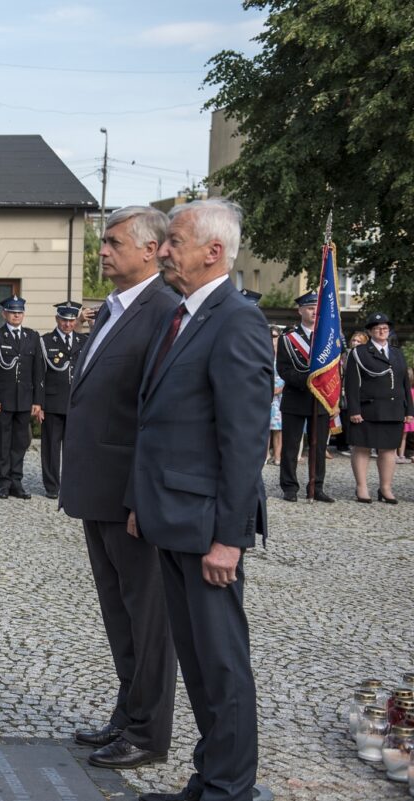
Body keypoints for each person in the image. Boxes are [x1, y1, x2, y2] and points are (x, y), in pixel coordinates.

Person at [132, 199, 270, 801]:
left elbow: (243, 443)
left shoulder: (236, 319)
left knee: (221, 666)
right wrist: (144, 501)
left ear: (214, 251)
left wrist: (229, 538)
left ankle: (231, 790)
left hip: (207, 525)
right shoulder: (184, 316)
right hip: (173, 518)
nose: (164, 249)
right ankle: (208, 780)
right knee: (197, 663)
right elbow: (163, 423)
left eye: (176, 240)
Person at [61, 205, 179, 771]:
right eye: (102, 242)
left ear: (151, 249)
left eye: (112, 242)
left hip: (130, 494)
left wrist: (142, 495)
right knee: (119, 610)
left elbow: (157, 415)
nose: (102, 251)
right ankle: (127, 711)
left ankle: (150, 732)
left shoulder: (164, 310)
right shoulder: (116, 307)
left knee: (148, 614)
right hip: (97, 487)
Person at [345, 312, 413, 503]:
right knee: (362, 448)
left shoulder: (397, 353)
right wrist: (354, 410)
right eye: (377, 328)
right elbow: (351, 384)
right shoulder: (359, 353)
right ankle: (362, 488)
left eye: (385, 328)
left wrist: (409, 411)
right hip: (368, 409)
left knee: (389, 449)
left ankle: (385, 488)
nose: (382, 331)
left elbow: (405, 384)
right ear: (370, 331)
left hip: (393, 409)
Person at [276, 291, 334, 502]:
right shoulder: (288, 339)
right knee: (291, 446)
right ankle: (289, 487)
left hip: (321, 398)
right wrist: (307, 382)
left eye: (316, 308)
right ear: (300, 310)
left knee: (318, 447)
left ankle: (316, 486)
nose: (313, 312)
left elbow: (335, 369)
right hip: (296, 396)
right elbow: (284, 369)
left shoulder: (327, 337)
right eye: (309, 308)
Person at [0, 296, 43, 499]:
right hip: (3, 400)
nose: (16, 315)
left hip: (24, 400)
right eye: (12, 312)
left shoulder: (32, 336)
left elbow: (38, 372)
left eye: (19, 312)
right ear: (4, 314)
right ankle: (3, 483)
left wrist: (37, 401)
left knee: (20, 443)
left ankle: (16, 482)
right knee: (3, 443)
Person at [38, 302, 86, 499]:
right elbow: (39, 376)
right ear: (57, 320)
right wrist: (38, 403)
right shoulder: (46, 341)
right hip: (52, 403)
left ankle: (71, 484)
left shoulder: (84, 341)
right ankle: (52, 486)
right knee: (50, 447)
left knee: (74, 448)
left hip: (76, 403)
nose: (68, 324)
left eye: (71, 320)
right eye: (64, 320)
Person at [267, 327, 284, 465]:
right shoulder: (264, 353)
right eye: (271, 336)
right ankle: (265, 455)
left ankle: (278, 456)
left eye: (275, 336)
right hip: (266, 394)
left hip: (281, 395)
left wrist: (282, 388)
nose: (273, 339)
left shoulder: (284, 354)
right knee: (265, 427)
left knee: (278, 428)